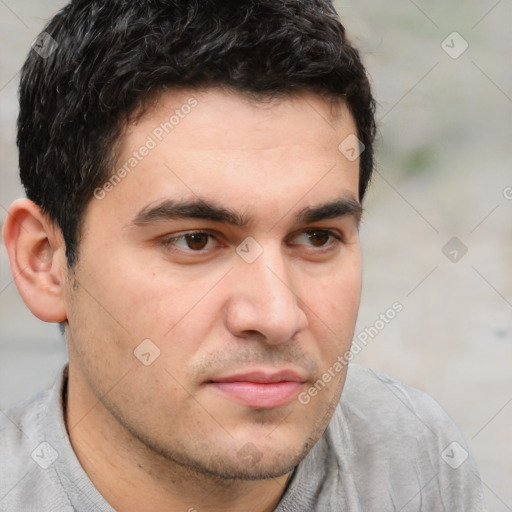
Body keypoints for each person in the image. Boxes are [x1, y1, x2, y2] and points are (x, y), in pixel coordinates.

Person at [0, 1, 485, 510]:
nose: (277, 316)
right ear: (44, 262)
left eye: (317, 237)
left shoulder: (415, 458)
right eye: (196, 240)